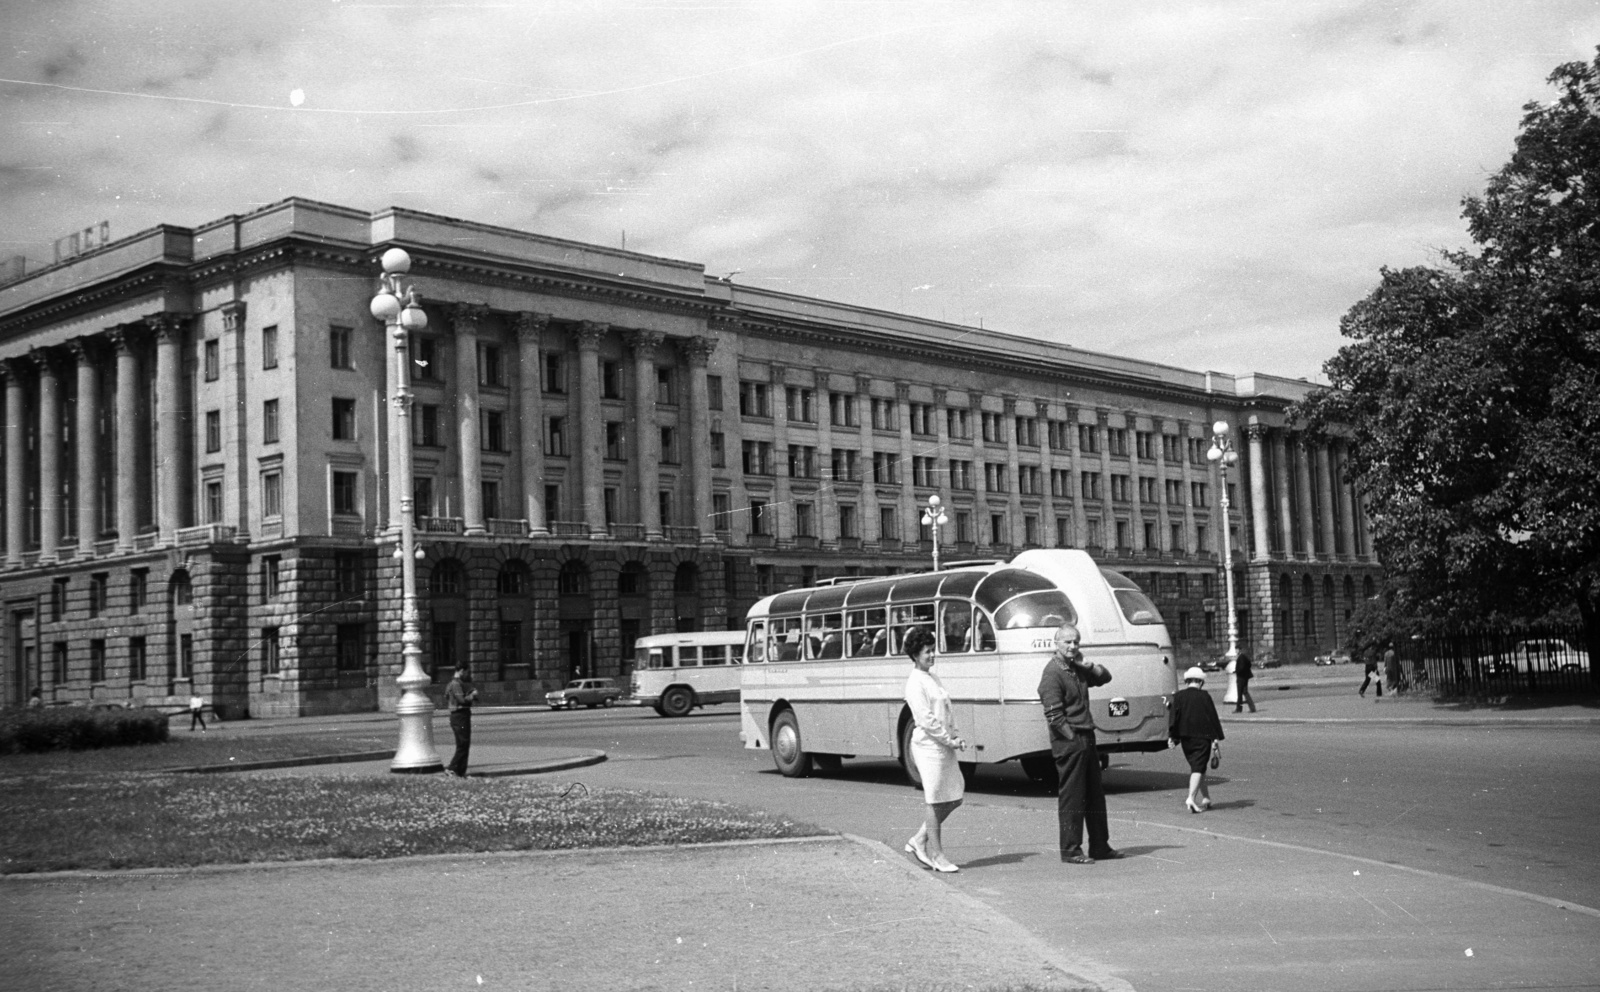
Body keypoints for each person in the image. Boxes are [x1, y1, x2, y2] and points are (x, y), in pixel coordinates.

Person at [1037, 622, 1122, 865]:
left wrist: (1090, 665)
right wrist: (1072, 738)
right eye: (1068, 642)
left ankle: (1100, 846)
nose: (1073, 646)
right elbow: (1053, 715)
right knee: (1073, 796)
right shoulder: (1052, 673)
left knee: (1095, 795)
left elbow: (1105, 677)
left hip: (1086, 736)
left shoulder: (1075, 669)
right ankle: (1071, 850)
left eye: (1076, 642)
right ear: (1057, 643)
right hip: (1070, 740)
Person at [902, 627, 967, 873]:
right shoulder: (914, 683)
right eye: (927, 652)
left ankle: (919, 839)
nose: (932, 655)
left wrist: (956, 734)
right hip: (928, 746)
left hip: (944, 744)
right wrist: (948, 740)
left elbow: (946, 710)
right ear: (915, 655)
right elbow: (926, 720)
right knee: (935, 798)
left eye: (932, 650)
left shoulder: (932, 677)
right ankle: (937, 855)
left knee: (955, 796)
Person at [1169, 667, 1225, 813]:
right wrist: (1215, 738)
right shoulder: (1204, 696)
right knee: (1198, 768)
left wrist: (1172, 738)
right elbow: (1212, 717)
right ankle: (1191, 798)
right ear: (1200, 681)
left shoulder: (1179, 696)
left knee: (1199, 767)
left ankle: (1206, 797)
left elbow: (1173, 719)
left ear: (1187, 681)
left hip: (1186, 739)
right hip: (1202, 738)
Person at [444, 664, 479, 778]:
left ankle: (460, 772)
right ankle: (452, 768)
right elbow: (461, 700)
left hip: (459, 716)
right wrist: (472, 696)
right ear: (462, 671)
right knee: (463, 744)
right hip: (459, 716)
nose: (468, 675)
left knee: (464, 743)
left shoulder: (452, 683)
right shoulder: (456, 684)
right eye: (467, 672)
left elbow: (447, 696)